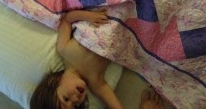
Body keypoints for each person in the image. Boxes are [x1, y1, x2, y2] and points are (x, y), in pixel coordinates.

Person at [30, 9, 164, 109]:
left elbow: (67, 19)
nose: (76, 99)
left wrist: (88, 16)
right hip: (130, 24)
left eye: (66, 99)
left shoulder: (63, 49)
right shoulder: (96, 84)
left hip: (106, 13)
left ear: (52, 83)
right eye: (75, 106)